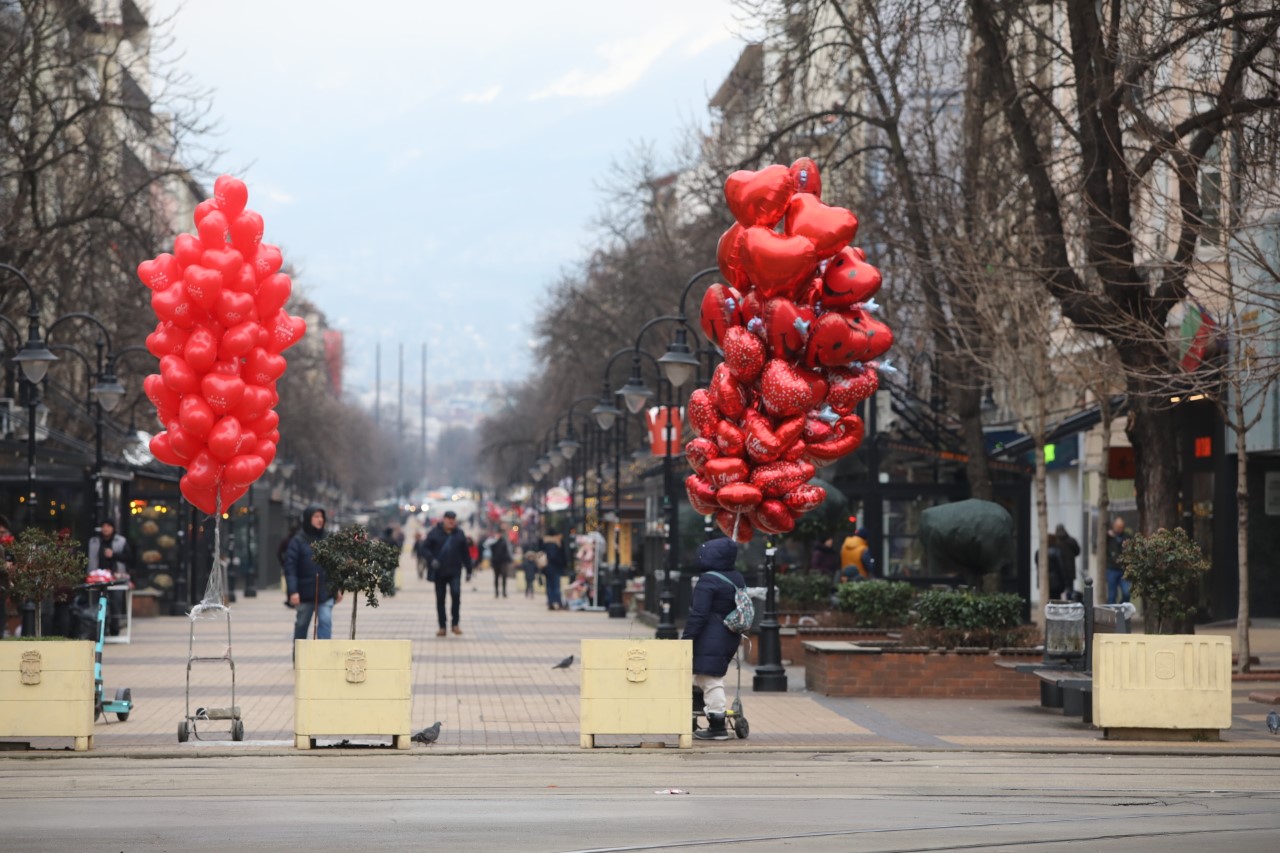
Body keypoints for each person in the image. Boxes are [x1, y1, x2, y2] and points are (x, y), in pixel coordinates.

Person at [682, 538, 745, 741]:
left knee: (710, 679)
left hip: (711, 636)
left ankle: (717, 725)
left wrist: (687, 638)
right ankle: (705, 709)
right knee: (704, 675)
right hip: (728, 634)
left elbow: (698, 614)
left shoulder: (708, 580)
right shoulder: (736, 577)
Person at [284, 505, 341, 645]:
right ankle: (299, 659)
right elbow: (290, 568)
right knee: (302, 625)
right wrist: (293, 591)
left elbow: (336, 565)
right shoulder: (298, 541)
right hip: (304, 594)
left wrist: (338, 588)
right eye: (316, 516)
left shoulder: (328, 539)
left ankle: (322, 658)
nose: (320, 520)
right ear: (308, 519)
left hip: (325, 592)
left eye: (321, 517)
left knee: (326, 621)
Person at [423, 510, 472, 636]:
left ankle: (455, 624)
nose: (451, 521)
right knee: (440, 599)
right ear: (444, 519)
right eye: (449, 519)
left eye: (453, 519)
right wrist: (431, 559)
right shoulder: (434, 533)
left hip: (455, 571)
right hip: (439, 572)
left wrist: (469, 570)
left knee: (456, 596)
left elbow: (465, 553)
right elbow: (424, 548)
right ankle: (442, 626)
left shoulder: (459, 534)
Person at [88, 520, 130, 635]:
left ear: (113, 528)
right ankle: (99, 630)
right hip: (97, 579)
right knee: (97, 605)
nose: (105, 529)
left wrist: (113, 555)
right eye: (103, 526)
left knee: (116, 603)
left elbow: (129, 557)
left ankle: (114, 629)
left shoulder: (121, 541)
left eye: (108, 526)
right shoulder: (94, 541)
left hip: (116, 578)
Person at [1105, 517, 1132, 604]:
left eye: (1121, 527)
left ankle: (1121, 608)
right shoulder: (1108, 537)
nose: (1119, 529)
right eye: (1117, 527)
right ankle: (1112, 615)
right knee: (1112, 595)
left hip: (1123, 570)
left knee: (1126, 593)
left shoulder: (1127, 537)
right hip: (1112, 569)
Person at [540, 530, 567, 611]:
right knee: (556, 586)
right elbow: (554, 557)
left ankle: (551, 602)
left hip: (547, 568)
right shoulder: (554, 545)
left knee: (549, 586)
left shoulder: (545, 543)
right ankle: (558, 602)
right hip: (554, 568)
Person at [1055, 524, 1081, 599]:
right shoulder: (1071, 540)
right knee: (1070, 590)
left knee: (1059, 591)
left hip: (1059, 571)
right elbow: (1077, 551)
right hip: (1070, 569)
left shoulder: (1056, 541)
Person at [491, 533, 512, 598]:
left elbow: (507, 552)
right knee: (497, 578)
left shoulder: (504, 543)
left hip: (503, 562)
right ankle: (497, 592)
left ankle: (503, 592)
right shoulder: (494, 543)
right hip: (496, 563)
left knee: (503, 578)